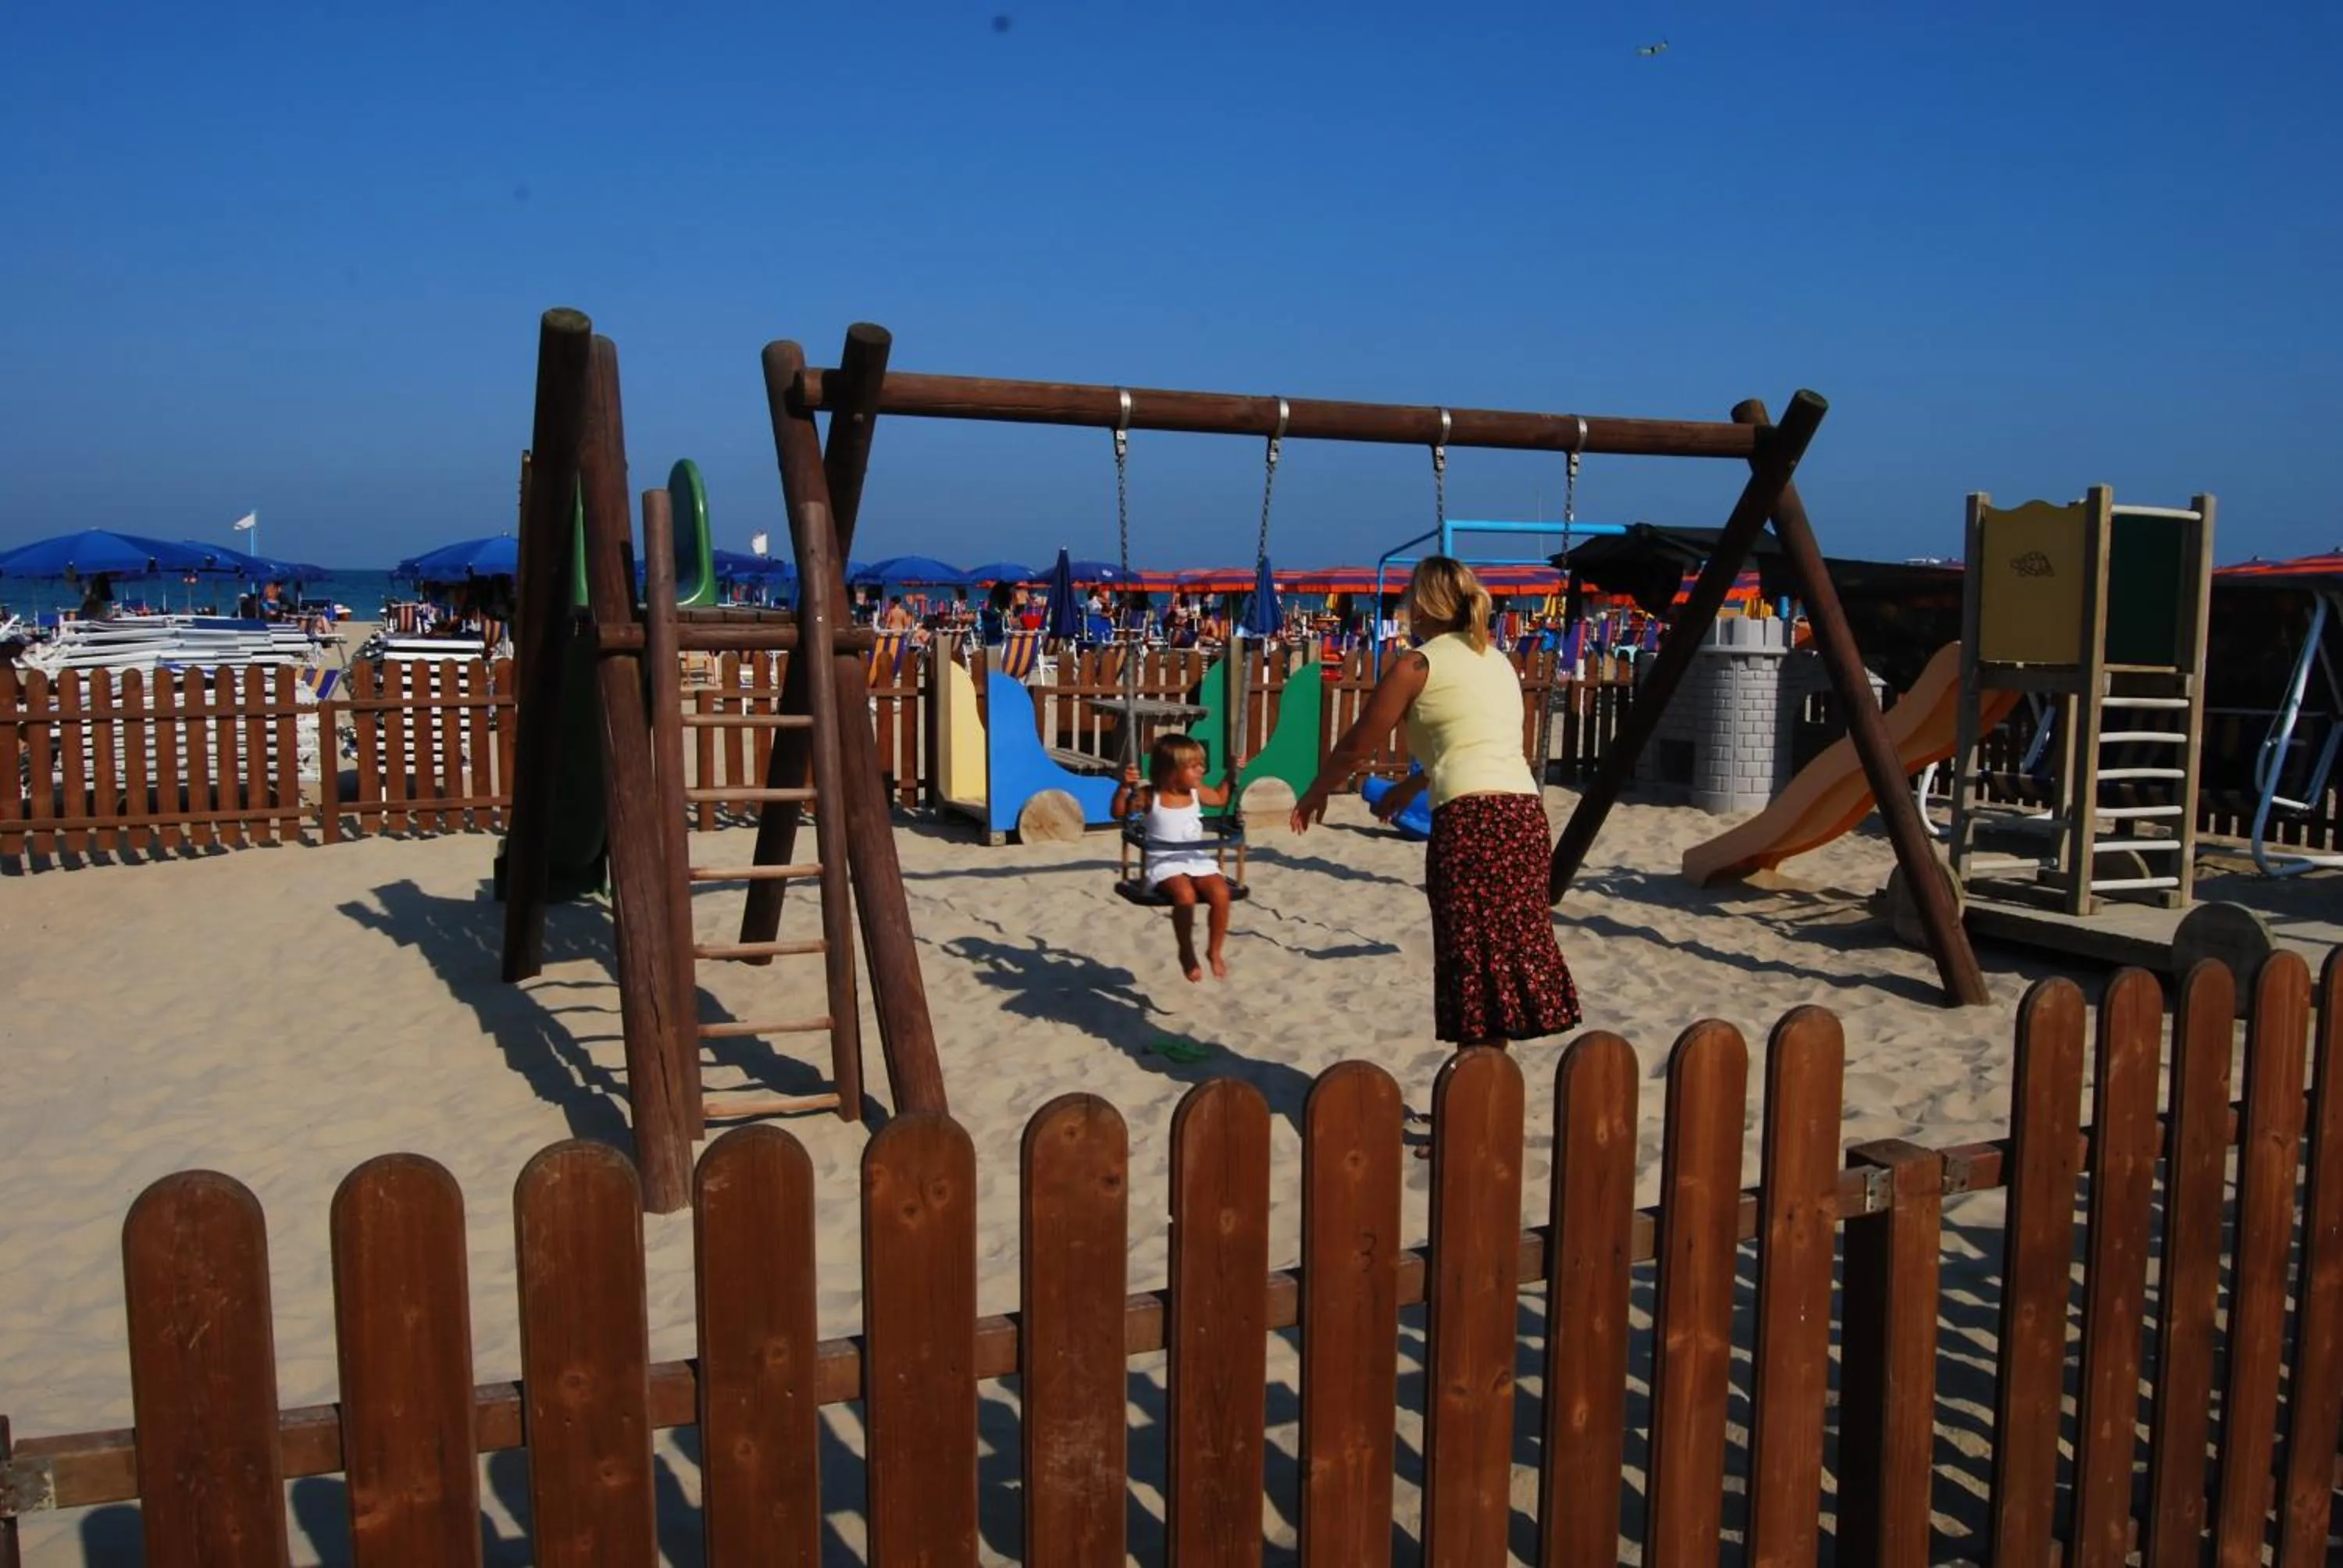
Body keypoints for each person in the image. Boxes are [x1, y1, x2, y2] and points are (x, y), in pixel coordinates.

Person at [1293, 555, 1580, 1049]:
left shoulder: (1417, 664)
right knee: (1504, 960)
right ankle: (1488, 1081)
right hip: (1525, 817)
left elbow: (1359, 742)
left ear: (1420, 606)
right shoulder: (1497, 660)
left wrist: (1319, 789)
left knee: (1469, 958)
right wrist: (1413, 784)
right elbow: (1481, 743)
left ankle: (1472, 1096)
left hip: (1472, 823)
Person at [1113, 733, 1236, 982]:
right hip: (1164, 861)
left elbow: (1221, 798)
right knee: (1185, 895)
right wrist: (1125, 787)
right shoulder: (1149, 796)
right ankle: (1186, 951)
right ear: (1171, 772)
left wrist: (1232, 773)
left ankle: (1214, 950)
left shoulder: (1196, 792)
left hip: (1196, 858)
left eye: (1201, 764)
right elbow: (1118, 814)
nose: (1202, 770)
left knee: (1221, 893)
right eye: (1194, 766)